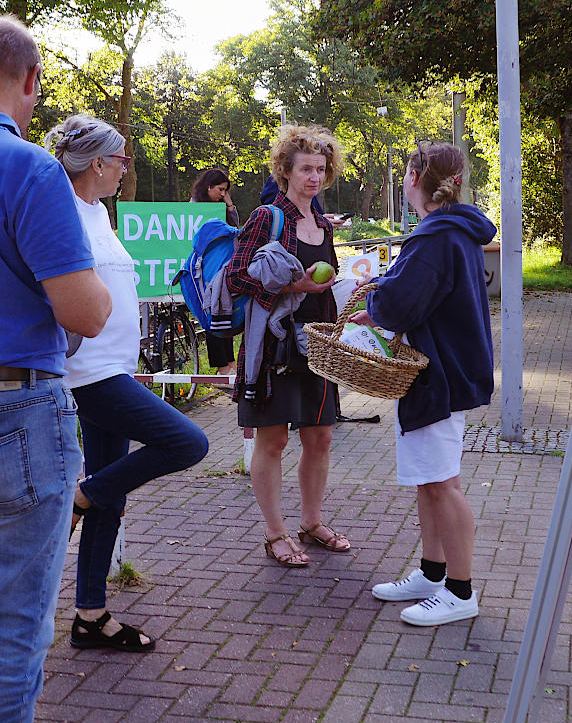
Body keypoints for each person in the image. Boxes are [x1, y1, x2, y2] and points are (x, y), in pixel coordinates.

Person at [46, 114, 209, 652]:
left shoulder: (97, 211)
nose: (125, 169)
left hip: (111, 367)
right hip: (89, 374)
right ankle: (79, 497)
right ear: (97, 164)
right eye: (120, 160)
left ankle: (90, 616)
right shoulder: (62, 211)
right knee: (188, 441)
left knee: (111, 493)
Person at [0, 16, 112, 723]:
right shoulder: (30, 169)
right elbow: (85, 312)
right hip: (18, 410)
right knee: (13, 620)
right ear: (32, 80)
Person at [349, 141, 495, 626]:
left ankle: (460, 589)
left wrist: (374, 304)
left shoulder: (435, 238)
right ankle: (434, 573)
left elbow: (399, 306)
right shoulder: (453, 231)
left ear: (414, 178)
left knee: (442, 483)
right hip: (444, 371)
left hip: (440, 375)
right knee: (429, 480)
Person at [226, 124, 350, 567]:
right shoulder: (268, 218)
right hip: (275, 347)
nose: (314, 177)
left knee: (321, 437)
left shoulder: (322, 224)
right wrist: (290, 286)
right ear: (285, 171)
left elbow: (328, 283)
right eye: (306, 169)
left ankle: (311, 523)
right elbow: (236, 276)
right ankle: (275, 533)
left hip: (317, 345)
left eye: (321, 169)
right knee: (273, 440)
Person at [191, 168, 239, 377]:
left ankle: (229, 363)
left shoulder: (220, 209)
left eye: (225, 190)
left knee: (224, 313)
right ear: (208, 187)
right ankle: (222, 367)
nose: (222, 194)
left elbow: (234, 227)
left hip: (219, 269)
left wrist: (228, 205)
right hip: (205, 272)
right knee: (212, 315)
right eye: (220, 189)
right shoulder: (193, 209)